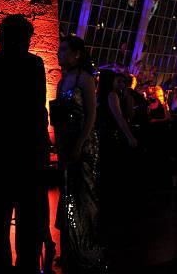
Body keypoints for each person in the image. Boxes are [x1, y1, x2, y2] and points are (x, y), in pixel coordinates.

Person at [0, 15, 49, 273]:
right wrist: (43, 149)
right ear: (24, 38)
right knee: (29, 219)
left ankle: (1, 266)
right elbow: (39, 112)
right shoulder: (34, 65)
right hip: (27, 152)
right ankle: (27, 267)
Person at [51, 35, 105, 272]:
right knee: (68, 195)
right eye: (60, 50)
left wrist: (79, 144)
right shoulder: (62, 82)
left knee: (84, 195)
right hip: (66, 143)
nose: (60, 54)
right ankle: (71, 249)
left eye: (64, 50)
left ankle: (86, 249)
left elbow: (91, 115)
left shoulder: (85, 79)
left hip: (84, 144)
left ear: (77, 54)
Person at [96, 70, 138, 246]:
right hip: (113, 137)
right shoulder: (112, 95)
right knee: (115, 172)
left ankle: (105, 211)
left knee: (106, 173)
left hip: (103, 137)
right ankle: (116, 213)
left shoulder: (100, 95)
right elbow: (120, 119)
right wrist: (130, 136)